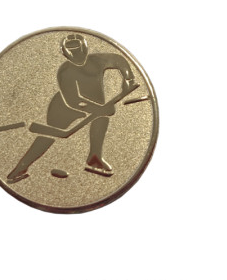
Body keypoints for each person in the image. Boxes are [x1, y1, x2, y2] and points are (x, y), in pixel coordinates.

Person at [7, 34, 135, 183]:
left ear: (85, 49)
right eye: (72, 53)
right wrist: (99, 110)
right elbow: (74, 101)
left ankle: (95, 158)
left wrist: (128, 78)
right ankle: (21, 167)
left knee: (101, 120)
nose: (78, 59)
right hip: (63, 108)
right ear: (66, 54)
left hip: (94, 104)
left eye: (79, 51)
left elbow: (119, 60)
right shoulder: (66, 72)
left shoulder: (98, 60)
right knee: (50, 136)